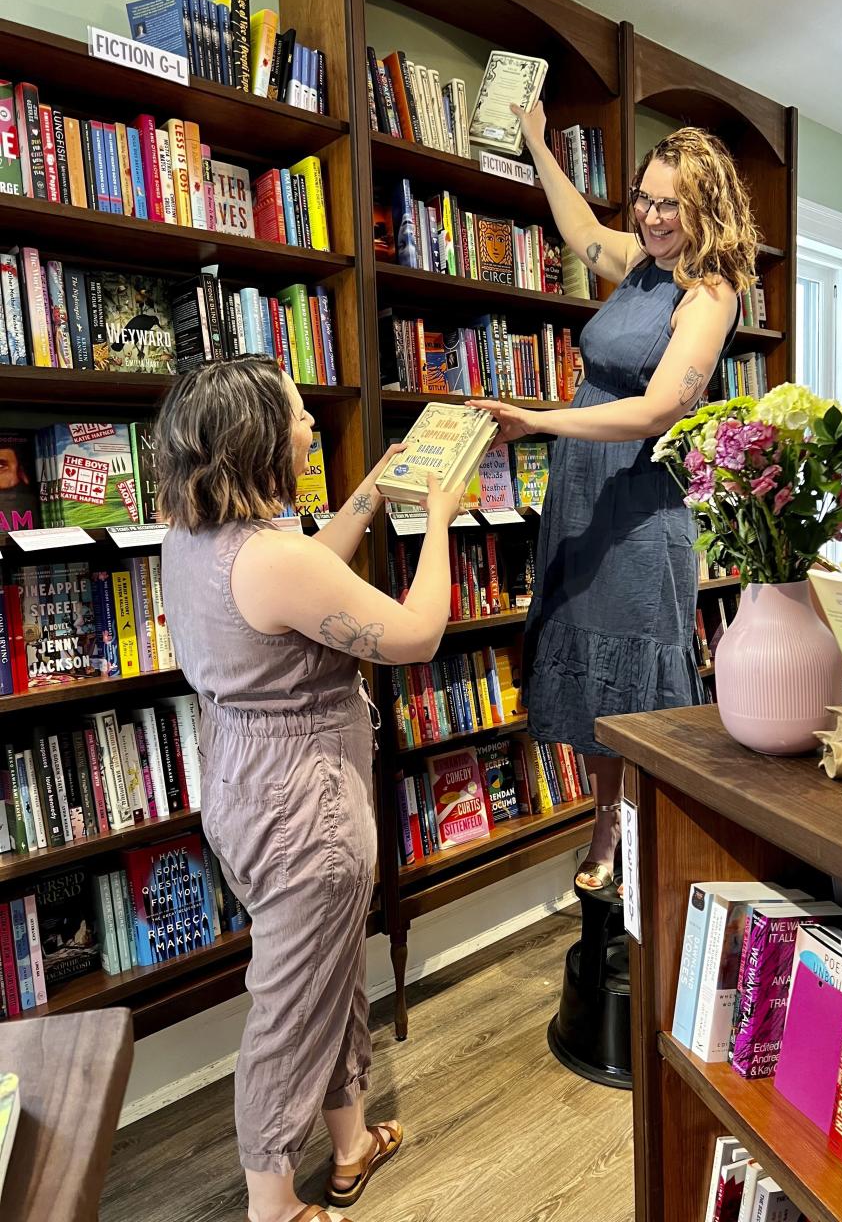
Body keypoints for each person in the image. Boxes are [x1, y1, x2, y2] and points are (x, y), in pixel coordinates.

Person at [156, 355, 464, 1222]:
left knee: (321, 974)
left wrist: (375, 485)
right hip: (307, 804)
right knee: (291, 1006)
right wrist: (438, 520)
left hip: (245, 783)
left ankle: (353, 1140)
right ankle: (272, 1202)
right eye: (297, 416)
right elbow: (415, 635)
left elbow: (307, 570)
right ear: (257, 439)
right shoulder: (271, 559)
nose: (309, 427)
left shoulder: (195, 536)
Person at [470, 106, 758, 892]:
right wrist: (537, 140)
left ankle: (641, 835)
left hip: (639, 495)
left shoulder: (711, 293)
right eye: (645, 198)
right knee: (589, 659)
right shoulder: (642, 261)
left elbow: (660, 408)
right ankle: (607, 818)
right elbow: (580, 234)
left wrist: (536, 420)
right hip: (582, 484)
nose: (652, 215)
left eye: (671, 204)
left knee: (635, 671)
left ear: (706, 207)